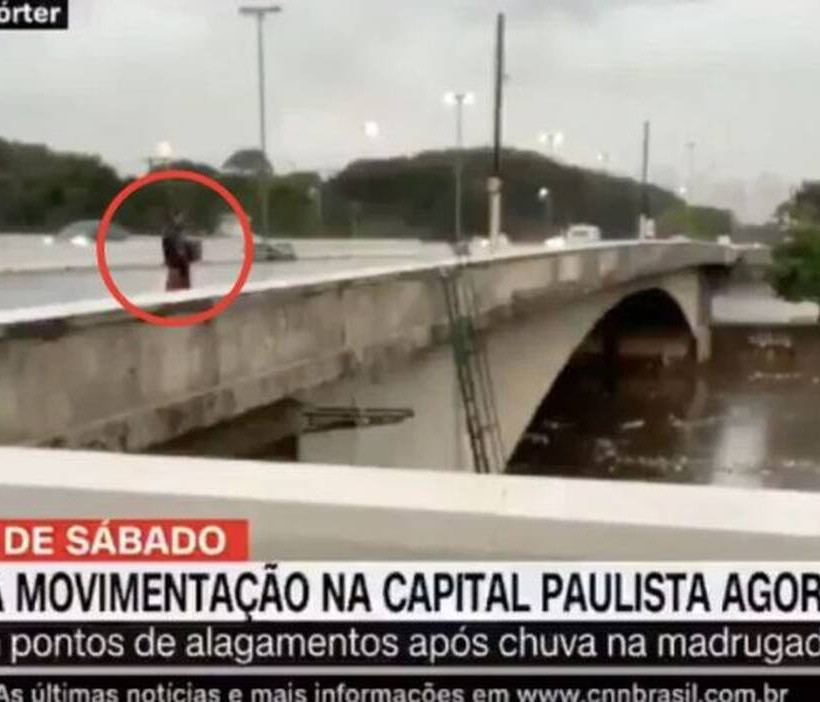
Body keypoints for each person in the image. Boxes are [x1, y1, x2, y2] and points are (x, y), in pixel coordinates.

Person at [161, 210, 194, 291]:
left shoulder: (182, 228)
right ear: (174, 218)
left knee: (184, 273)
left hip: (182, 255)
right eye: (178, 217)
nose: (180, 219)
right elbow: (166, 243)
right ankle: (173, 289)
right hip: (174, 255)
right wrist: (167, 258)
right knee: (175, 274)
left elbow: (185, 241)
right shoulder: (169, 229)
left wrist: (189, 254)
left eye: (181, 217)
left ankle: (185, 288)